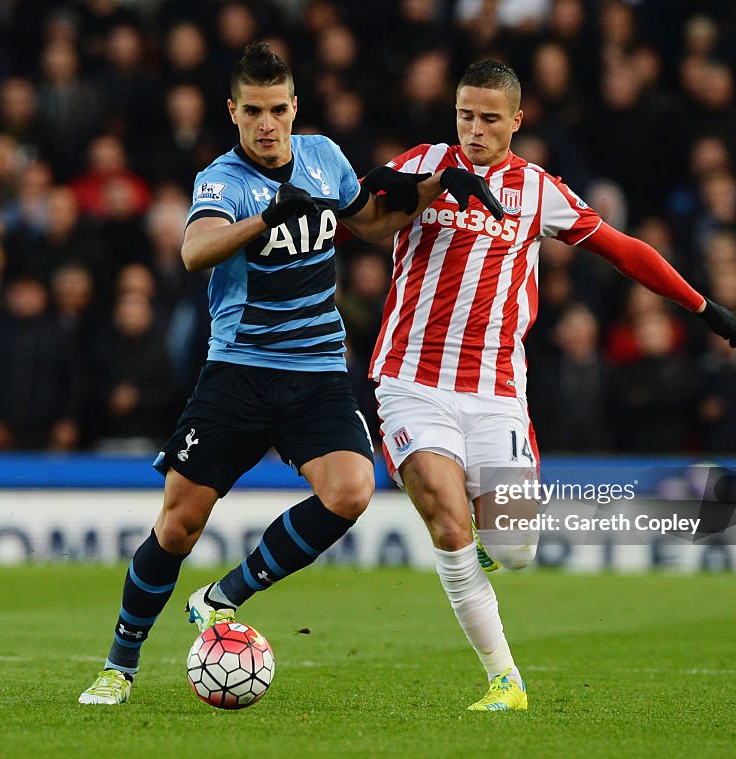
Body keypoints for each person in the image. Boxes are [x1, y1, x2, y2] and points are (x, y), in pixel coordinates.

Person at [78, 42, 495, 705]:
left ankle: (225, 595)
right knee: (178, 524)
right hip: (238, 371)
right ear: (232, 113)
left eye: (277, 110)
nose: (267, 125)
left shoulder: (325, 157)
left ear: (294, 107)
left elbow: (371, 219)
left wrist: (440, 188)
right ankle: (118, 666)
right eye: (253, 112)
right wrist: (267, 215)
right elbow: (194, 250)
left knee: (353, 488)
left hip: (317, 371)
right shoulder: (221, 179)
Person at [360, 60, 736, 711]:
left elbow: (625, 250)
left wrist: (704, 307)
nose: (476, 129)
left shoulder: (537, 190)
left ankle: (493, 549)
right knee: (449, 520)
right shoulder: (424, 160)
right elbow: (364, 210)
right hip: (411, 380)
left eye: (490, 118)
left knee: (514, 545)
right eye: (466, 115)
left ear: (517, 119)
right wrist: (434, 184)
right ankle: (504, 680)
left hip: (494, 391)